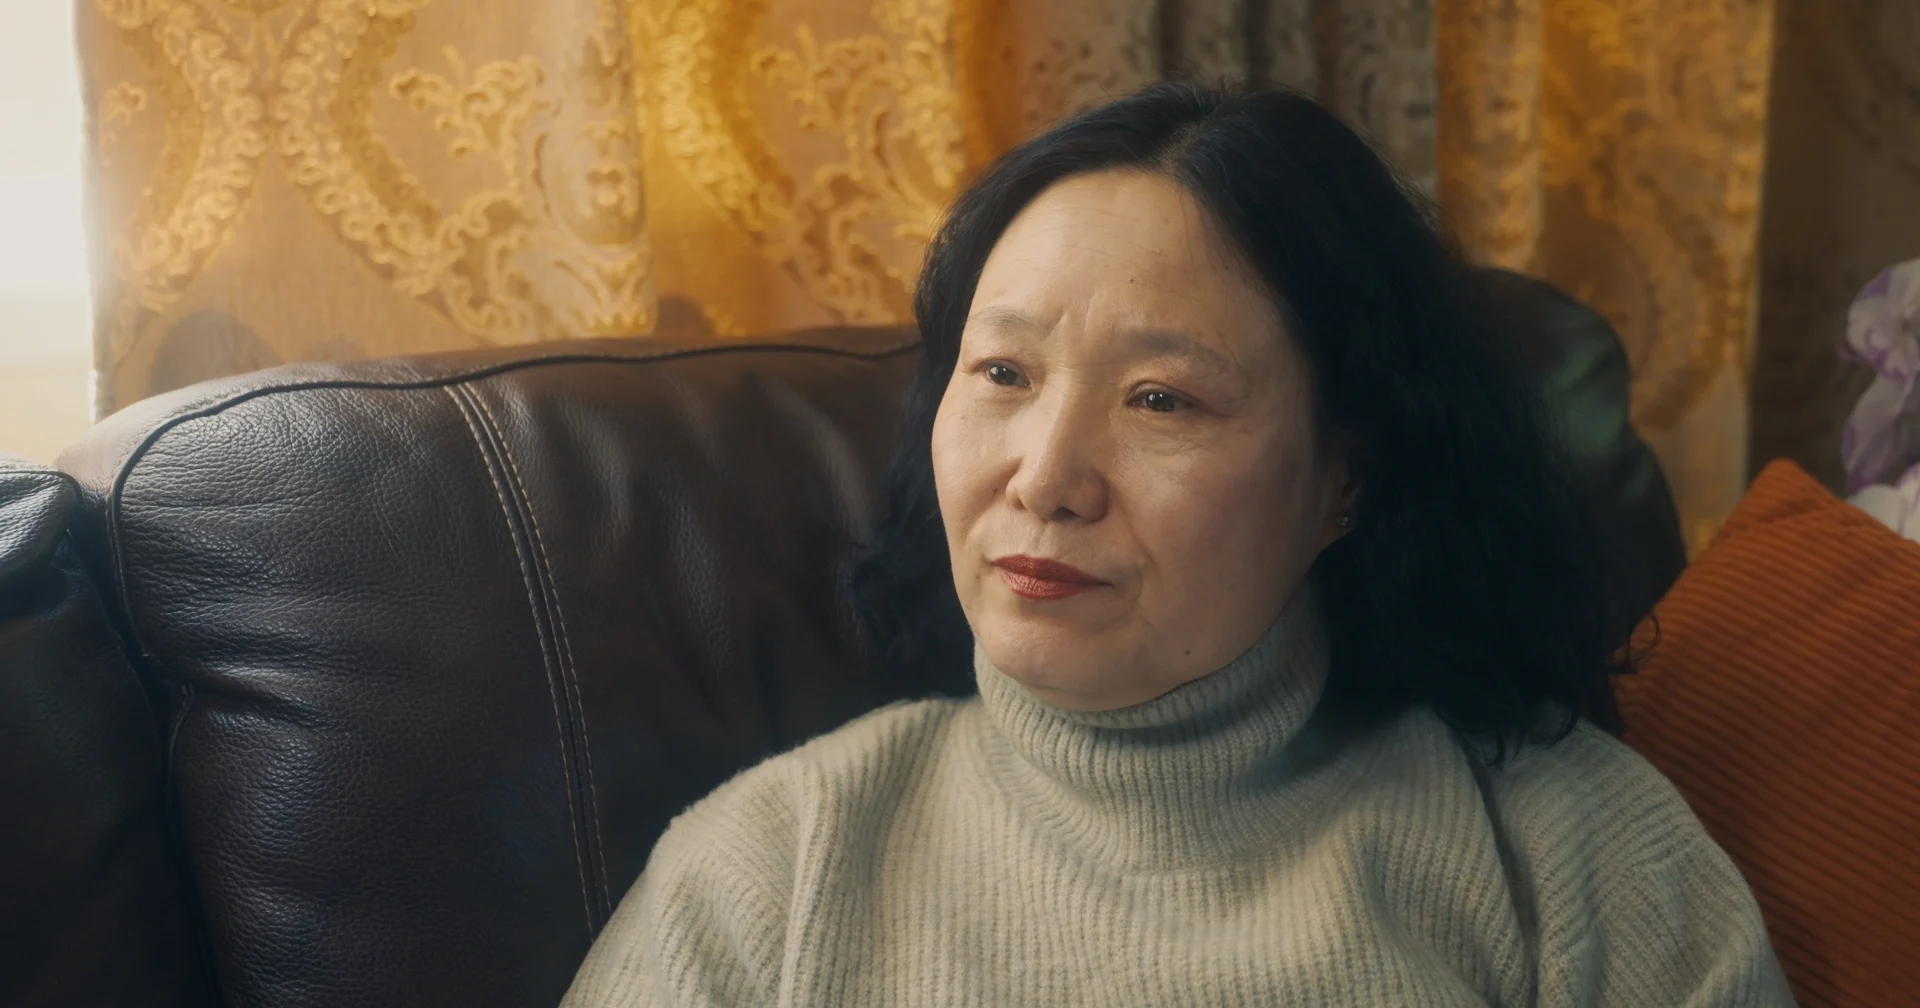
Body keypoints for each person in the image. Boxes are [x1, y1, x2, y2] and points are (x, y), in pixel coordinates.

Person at [562, 82, 1794, 1006]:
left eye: (1163, 399)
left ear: (1344, 481)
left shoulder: (1565, 849)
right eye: (1002, 373)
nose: (1044, 477)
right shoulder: (771, 873)